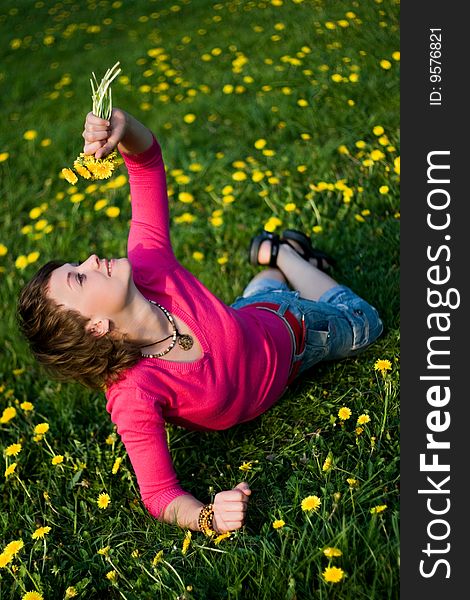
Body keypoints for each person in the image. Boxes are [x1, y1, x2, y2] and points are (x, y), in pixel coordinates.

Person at [17, 108, 383, 537]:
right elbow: (158, 495)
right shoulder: (133, 394)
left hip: (296, 331)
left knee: (366, 324)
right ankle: (273, 260)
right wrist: (208, 516)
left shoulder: (151, 265)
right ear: (95, 327)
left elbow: (146, 162)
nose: (92, 259)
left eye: (77, 264)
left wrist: (122, 128)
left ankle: (283, 257)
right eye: (80, 276)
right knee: (260, 298)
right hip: (250, 321)